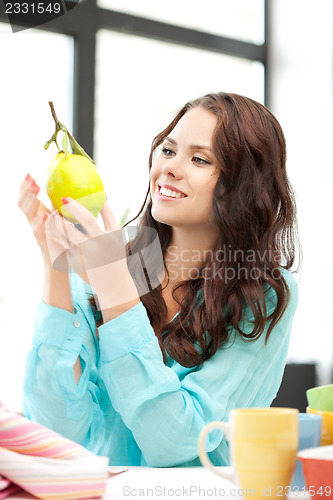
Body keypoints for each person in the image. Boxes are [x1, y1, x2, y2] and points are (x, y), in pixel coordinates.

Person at [18, 92, 300, 467]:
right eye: (168, 151)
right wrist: (55, 267)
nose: (169, 168)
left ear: (242, 188)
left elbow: (176, 442)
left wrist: (116, 293)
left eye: (199, 159)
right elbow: (56, 433)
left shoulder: (263, 292)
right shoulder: (112, 257)